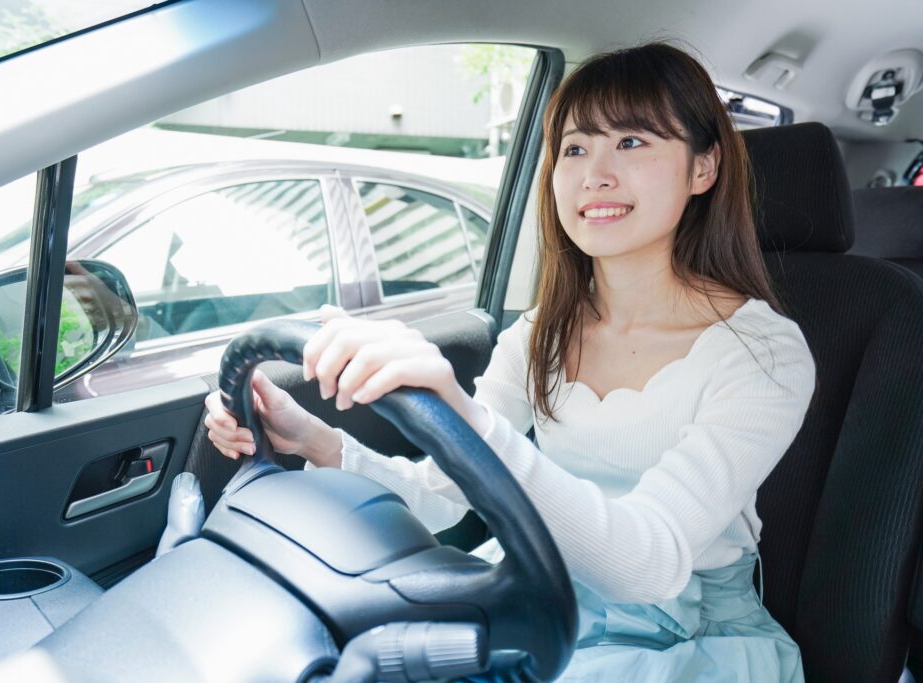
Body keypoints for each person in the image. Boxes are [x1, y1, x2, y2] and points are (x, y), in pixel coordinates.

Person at [205, 42, 815, 682]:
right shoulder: (540, 331)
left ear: (703, 167)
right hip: (538, 590)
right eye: (576, 148)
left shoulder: (763, 353)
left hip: (683, 636)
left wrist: (465, 417)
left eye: (632, 143)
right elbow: (444, 500)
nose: (594, 174)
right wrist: (317, 440)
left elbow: (649, 563)